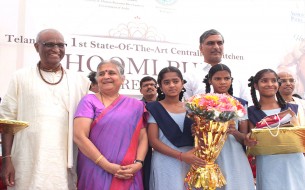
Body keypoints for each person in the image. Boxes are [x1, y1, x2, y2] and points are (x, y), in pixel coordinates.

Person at [0, 29, 90, 189]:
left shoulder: (80, 81)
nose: (56, 49)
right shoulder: (20, 77)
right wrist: (7, 159)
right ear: (36, 47)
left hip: (64, 161)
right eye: (49, 44)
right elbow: (7, 121)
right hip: (27, 159)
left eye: (61, 45)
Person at [73, 59, 148, 190]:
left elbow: (143, 137)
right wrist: (107, 165)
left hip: (128, 171)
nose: (106, 76)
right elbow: (79, 136)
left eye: (111, 72)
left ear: (122, 78)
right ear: (97, 79)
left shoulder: (136, 105)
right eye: (101, 74)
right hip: (94, 168)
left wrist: (139, 163)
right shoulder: (88, 101)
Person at [146, 66, 205, 190]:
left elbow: (203, 137)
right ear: (160, 87)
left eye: (175, 81)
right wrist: (181, 156)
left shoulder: (193, 108)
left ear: (182, 83)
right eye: (166, 82)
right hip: (166, 161)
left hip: (192, 160)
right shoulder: (154, 108)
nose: (172, 85)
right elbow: (153, 141)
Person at [246, 69, 305, 190]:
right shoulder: (251, 111)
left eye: (273, 81)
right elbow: (252, 138)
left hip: (293, 159)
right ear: (256, 85)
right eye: (264, 81)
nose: (270, 84)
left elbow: (298, 134)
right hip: (268, 161)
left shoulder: (291, 108)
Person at [203, 64, 255, 190]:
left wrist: (233, 131)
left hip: (234, 153)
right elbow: (196, 131)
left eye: (227, 78)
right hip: (210, 154)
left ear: (231, 80)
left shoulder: (240, 103)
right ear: (210, 80)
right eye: (217, 79)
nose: (223, 82)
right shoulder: (201, 103)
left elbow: (244, 137)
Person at [183, 29, 250, 103]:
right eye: (210, 43)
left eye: (219, 43)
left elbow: (246, 106)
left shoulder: (238, 73)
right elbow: (186, 107)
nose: (216, 47)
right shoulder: (190, 76)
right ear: (201, 48)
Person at [139, 76, 157, 190]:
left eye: (152, 84)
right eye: (145, 85)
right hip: (143, 149)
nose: (149, 87)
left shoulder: (164, 105)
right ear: (140, 90)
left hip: (163, 148)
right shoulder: (136, 107)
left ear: (157, 88)